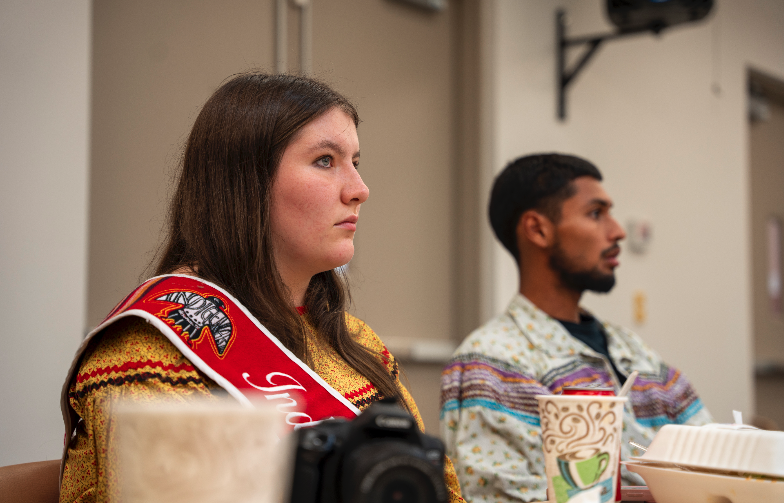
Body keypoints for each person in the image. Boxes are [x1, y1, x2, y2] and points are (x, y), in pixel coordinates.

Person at [59, 73, 464, 503]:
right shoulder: (149, 348)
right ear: (245, 182)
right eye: (325, 160)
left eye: (355, 163)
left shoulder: (360, 344)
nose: (359, 190)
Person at [439, 153, 712, 502]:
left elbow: (716, 462)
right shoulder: (490, 365)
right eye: (596, 213)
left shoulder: (635, 352)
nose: (618, 231)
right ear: (538, 229)